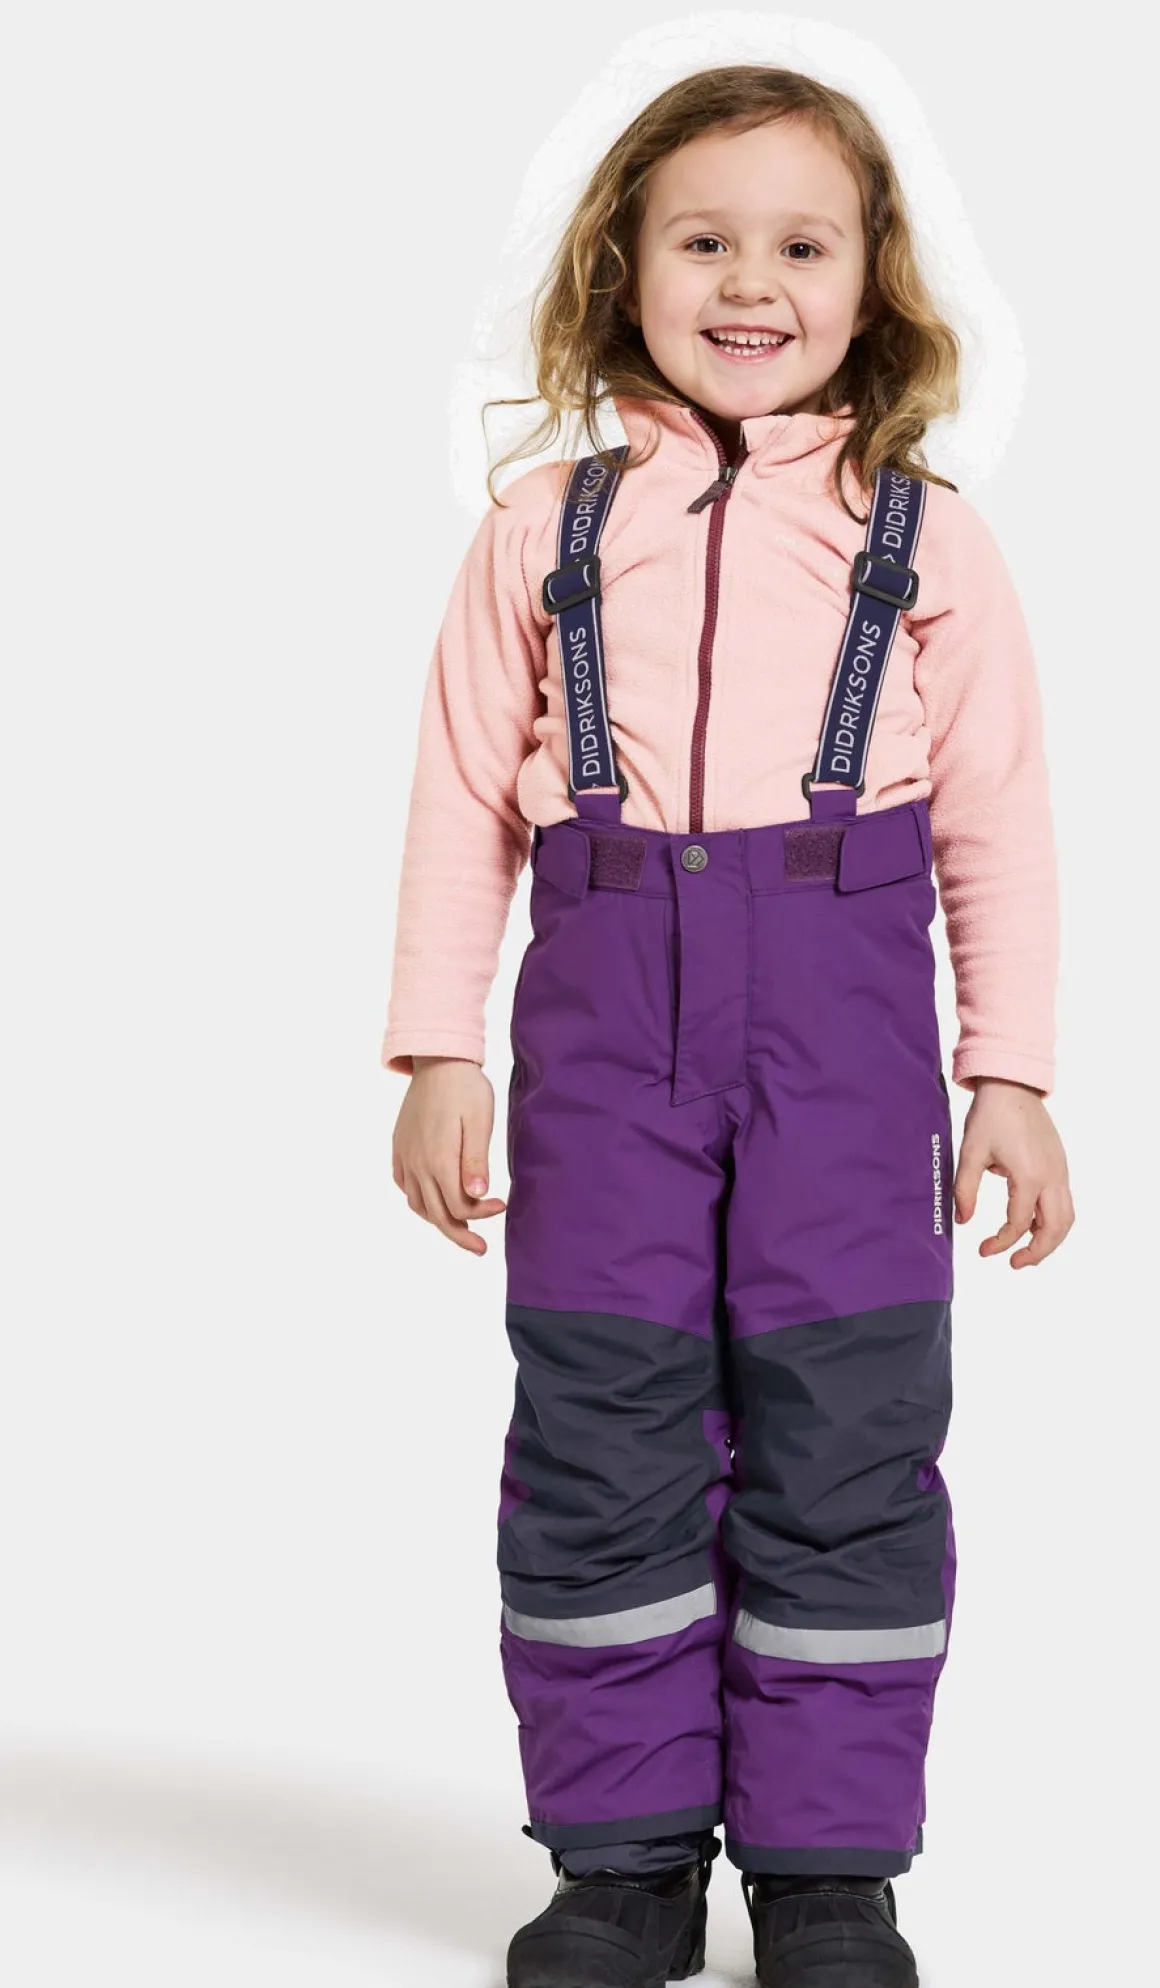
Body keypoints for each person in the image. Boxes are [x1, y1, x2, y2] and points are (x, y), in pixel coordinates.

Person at [381, 63, 1074, 1988]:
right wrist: (439, 1046)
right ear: (624, 268)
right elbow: (460, 797)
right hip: (604, 1022)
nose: (751, 281)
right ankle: (620, 1861)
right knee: (601, 1418)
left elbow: (999, 819)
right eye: (704, 239)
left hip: (846, 1032)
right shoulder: (540, 530)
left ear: (873, 282)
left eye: (801, 245)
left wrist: (1010, 1075)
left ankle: (827, 1870)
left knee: (848, 1426)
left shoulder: (924, 539)